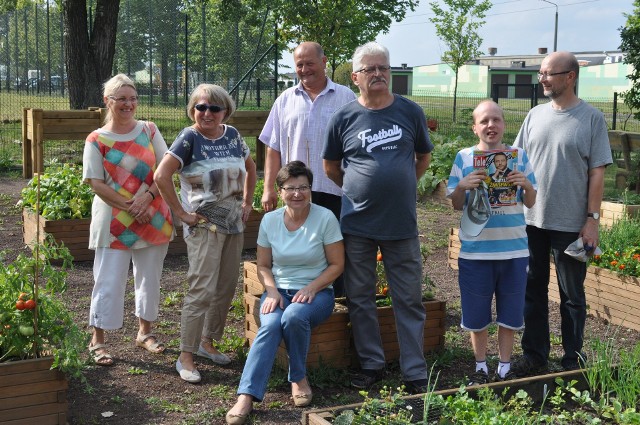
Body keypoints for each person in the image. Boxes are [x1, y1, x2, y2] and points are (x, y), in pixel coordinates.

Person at [323, 42, 433, 394]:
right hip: (357, 225)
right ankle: (372, 364)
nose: (378, 74)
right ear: (355, 77)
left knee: (409, 298)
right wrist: (360, 191)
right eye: (369, 69)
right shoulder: (343, 118)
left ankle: (414, 370)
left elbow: (423, 158)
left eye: (383, 68)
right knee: (360, 297)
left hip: (401, 225)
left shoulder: (410, 112)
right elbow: (331, 167)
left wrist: (399, 186)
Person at [512, 51, 613, 375]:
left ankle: (572, 359)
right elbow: (517, 161)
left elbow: (597, 172)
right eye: (541, 73)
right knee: (533, 288)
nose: (542, 78)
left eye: (548, 73)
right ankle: (535, 354)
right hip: (532, 220)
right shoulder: (534, 116)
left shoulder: (592, 119)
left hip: (571, 224)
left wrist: (592, 220)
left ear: (570, 77)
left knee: (572, 295)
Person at [225, 161, 343, 424]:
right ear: (280, 191)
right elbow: (264, 265)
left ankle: (298, 377)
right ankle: (246, 395)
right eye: (291, 188)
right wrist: (272, 291)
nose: (298, 193)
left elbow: (337, 265)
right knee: (270, 325)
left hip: (318, 293)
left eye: (303, 187)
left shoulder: (325, 218)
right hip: (278, 292)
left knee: (294, 317)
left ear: (310, 189)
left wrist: (312, 287)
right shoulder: (269, 220)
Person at [154, 84, 257, 383]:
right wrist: (182, 214)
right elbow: (161, 176)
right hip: (204, 226)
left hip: (234, 224)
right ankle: (185, 355)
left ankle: (207, 342)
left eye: (214, 108)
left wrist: (248, 201)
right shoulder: (189, 138)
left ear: (225, 111)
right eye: (201, 107)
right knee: (201, 290)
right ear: (192, 110)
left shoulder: (233, 136)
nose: (207, 113)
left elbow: (250, 168)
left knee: (225, 287)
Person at [83, 74, 173, 366]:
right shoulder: (97, 140)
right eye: (121, 98)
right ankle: (97, 339)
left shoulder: (149, 130)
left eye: (132, 98)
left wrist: (146, 199)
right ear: (108, 101)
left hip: (153, 215)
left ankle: (145, 332)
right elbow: (96, 183)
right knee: (108, 279)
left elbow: (164, 168)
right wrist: (132, 206)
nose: (128, 104)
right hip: (113, 221)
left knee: (150, 277)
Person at [447, 100, 537, 385]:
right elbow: (455, 205)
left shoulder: (519, 156)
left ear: (504, 125)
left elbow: (532, 202)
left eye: (496, 120)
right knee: (476, 313)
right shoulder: (464, 158)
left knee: (510, 311)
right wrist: (462, 186)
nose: (491, 125)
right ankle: (481, 366)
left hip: (514, 250)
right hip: (476, 251)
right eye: (484, 121)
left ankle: (505, 366)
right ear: (475, 127)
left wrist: (527, 186)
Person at [259, 41, 355, 297]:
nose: (304, 69)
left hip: (335, 188)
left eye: (309, 63)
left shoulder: (346, 98)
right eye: (299, 64)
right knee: (298, 248)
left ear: (324, 62)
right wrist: (269, 188)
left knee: (337, 249)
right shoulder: (285, 100)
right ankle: (294, 295)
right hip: (296, 192)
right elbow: (273, 147)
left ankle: (337, 304)